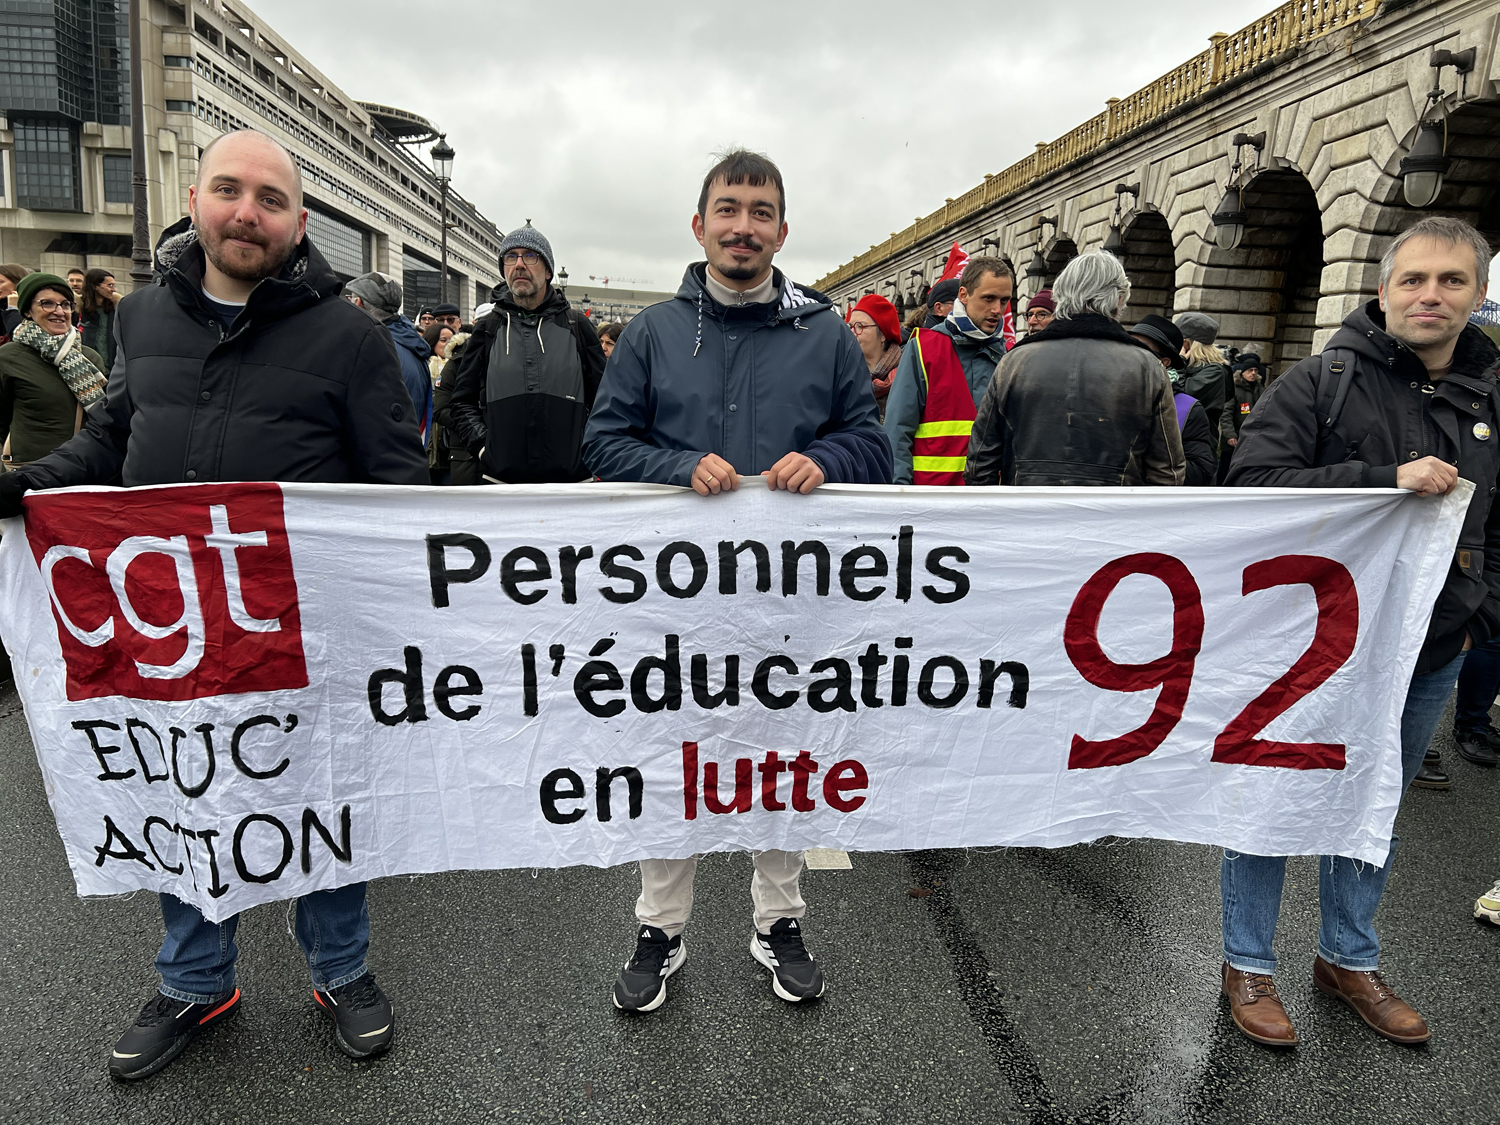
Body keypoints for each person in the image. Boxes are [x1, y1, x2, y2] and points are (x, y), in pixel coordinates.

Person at [0, 128, 427, 1080]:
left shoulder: (350, 337)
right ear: (193, 201)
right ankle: (196, 979)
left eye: (271, 200)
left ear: (300, 224)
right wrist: (32, 487)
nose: (248, 212)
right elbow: (113, 438)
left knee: (316, 802)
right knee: (187, 795)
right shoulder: (145, 318)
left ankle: (342, 969)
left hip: (303, 630)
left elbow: (397, 493)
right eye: (230, 191)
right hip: (171, 627)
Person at [583, 148, 890, 1013]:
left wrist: (823, 458)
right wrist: (679, 464)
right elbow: (605, 441)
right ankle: (660, 925)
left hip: (789, 597)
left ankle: (778, 917)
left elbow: (872, 445)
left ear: (782, 231)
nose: (743, 225)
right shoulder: (650, 333)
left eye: (760, 211)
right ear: (700, 224)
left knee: (782, 753)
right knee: (670, 756)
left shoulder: (822, 332)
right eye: (729, 208)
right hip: (673, 598)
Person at [1219, 216, 1499, 1049]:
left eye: (1452, 281)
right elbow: (1255, 483)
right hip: (1311, 646)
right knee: (1271, 795)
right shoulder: (1321, 380)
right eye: (1414, 279)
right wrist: (1385, 480)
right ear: (1383, 290)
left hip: (1428, 650)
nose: (1431, 295)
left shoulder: (1492, 394)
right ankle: (1247, 959)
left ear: (1478, 295)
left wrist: (1482, 615)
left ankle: (1348, 955)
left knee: (1375, 803)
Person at [966, 250, 1184, 487]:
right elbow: (1167, 469)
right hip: (1114, 515)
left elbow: (980, 461)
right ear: (1119, 299)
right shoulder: (1148, 366)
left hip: (1028, 513)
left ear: (1059, 297)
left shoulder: (1014, 361)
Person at [446, 222, 606, 483]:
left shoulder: (576, 326)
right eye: (511, 257)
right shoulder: (489, 328)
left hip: (573, 486)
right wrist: (485, 448)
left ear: (548, 271)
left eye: (530, 256)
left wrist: (587, 447)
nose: (519, 264)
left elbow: (605, 401)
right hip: (501, 484)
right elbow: (461, 401)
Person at [884, 259, 1013, 483]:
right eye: (989, 298)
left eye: (1004, 301)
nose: (996, 310)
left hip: (992, 501)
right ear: (963, 294)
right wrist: (899, 496)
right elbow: (897, 431)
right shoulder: (923, 347)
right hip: (931, 499)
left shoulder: (1011, 356)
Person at [0, 273, 107, 469]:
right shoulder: (9, 357)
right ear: (27, 311)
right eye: (47, 303)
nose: (59, 311)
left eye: (65, 304)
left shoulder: (90, 358)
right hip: (29, 471)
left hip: (83, 469)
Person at [346, 271, 432, 451]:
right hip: (408, 454)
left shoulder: (378, 347)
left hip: (384, 458)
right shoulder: (411, 344)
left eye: (351, 300)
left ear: (359, 304)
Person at [1130, 313, 1216, 485]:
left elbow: (1201, 472)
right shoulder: (1104, 393)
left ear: (1164, 362)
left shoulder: (1187, 408)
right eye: (1128, 346)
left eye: (1143, 349)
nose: (1132, 354)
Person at [1173, 311, 1231, 437]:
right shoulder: (1187, 365)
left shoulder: (1214, 371)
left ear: (1186, 343)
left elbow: (1182, 396)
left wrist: (1179, 363)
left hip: (1196, 441)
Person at [848, 293, 902, 422]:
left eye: (860, 326)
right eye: (850, 327)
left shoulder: (906, 374)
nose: (853, 333)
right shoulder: (846, 375)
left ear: (883, 334)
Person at [1220, 351, 1266, 454]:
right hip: (1234, 438)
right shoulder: (1234, 389)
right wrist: (1230, 435)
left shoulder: (1261, 390)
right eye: (1250, 370)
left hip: (1253, 438)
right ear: (1243, 372)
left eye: (1255, 370)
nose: (1253, 373)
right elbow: (1226, 413)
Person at [78, 268, 119, 373]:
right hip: (86, 370)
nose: (113, 290)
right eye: (109, 285)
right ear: (95, 286)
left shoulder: (114, 309)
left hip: (111, 370)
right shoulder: (79, 310)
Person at [0, 263, 29, 342]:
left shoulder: (31, 307)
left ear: (18, 283)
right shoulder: (1, 307)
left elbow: (20, 335)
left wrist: (13, 309)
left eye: (1, 282)